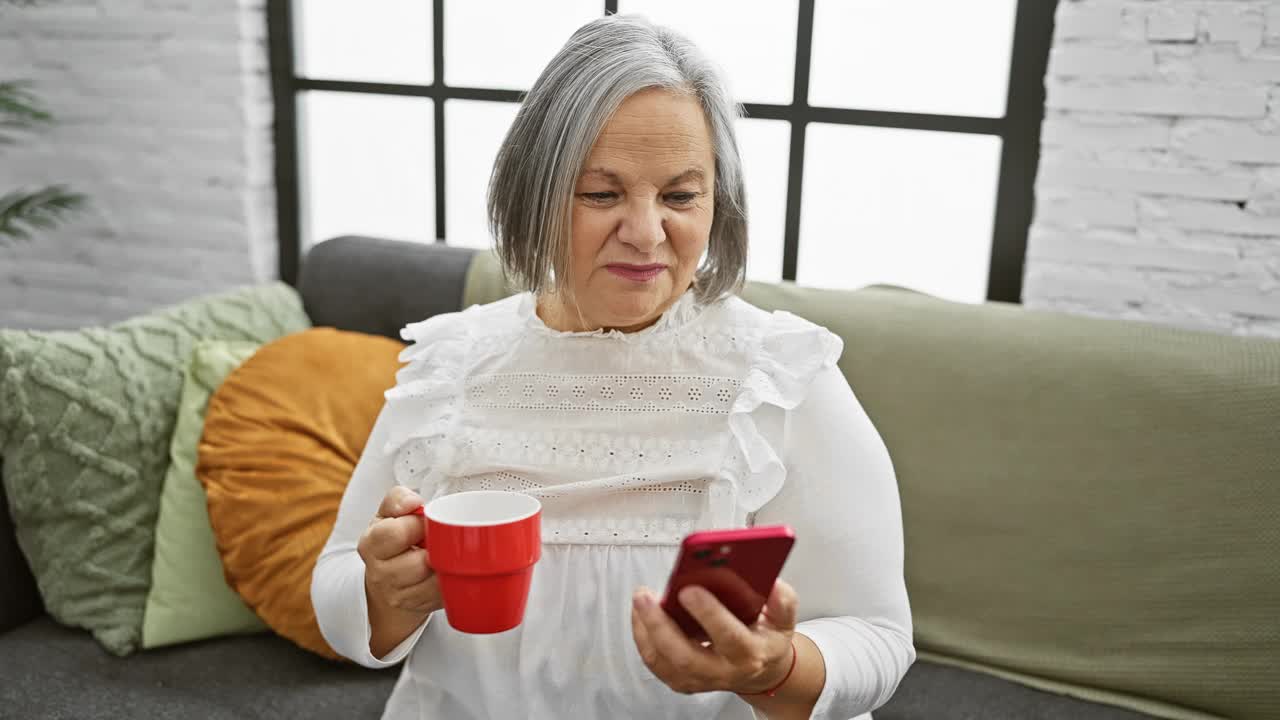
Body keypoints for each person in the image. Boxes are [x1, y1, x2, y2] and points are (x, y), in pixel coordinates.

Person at [312, 14, 913, 720]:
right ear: (532, 195)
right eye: (602, 193)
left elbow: (879, 635)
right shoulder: (451, 368)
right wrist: (380, 597)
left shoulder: (780, 377)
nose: (646, 232)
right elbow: (337, 582)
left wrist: (774, 669)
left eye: (681, 196)